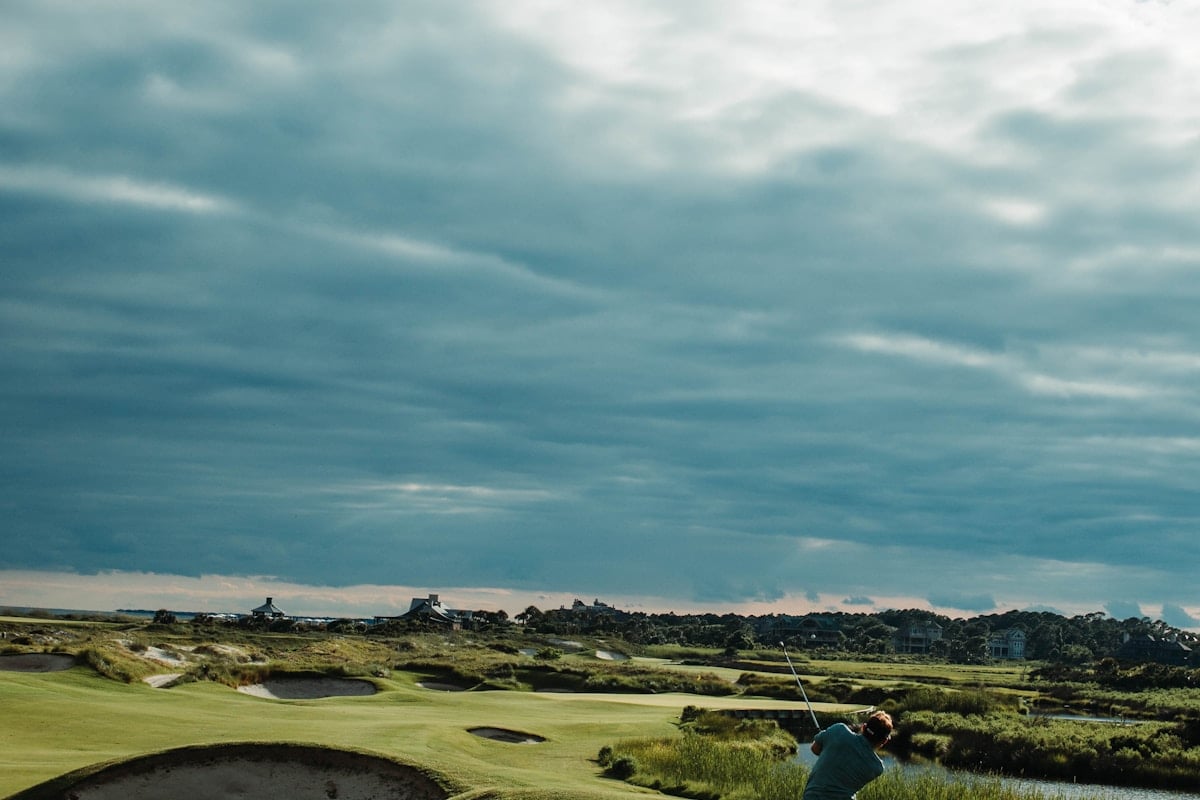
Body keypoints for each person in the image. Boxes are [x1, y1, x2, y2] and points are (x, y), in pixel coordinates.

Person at [800, 710, 893, 800]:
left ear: (863, 727)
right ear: (884, 741)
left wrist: (830, 749)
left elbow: (814, 748)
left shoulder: (838, 730)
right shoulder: (876, 767)